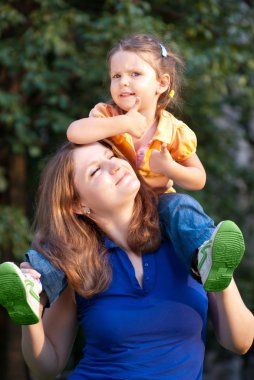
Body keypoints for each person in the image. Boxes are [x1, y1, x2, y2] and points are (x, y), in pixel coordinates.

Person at [0, 34, 245, 323]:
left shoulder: (174, 131)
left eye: (134, 74)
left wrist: (169, 168)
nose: (123, 82)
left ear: (161, 84)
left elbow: (198, 178)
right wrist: (123, 123)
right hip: (115, 208)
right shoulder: (108, 114)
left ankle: (205, 256)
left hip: (157, 204)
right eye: (116, 76)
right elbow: (74, 133)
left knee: (182, 206)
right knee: (68, 242)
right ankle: (34, 286)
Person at [13, 141, 254, 379]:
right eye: (96, 170)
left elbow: (240, 342)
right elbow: (47, 366)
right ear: (78, 204)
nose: (115, 166)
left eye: (112, 156)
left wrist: (220, 276)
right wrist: (32, 316)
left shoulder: (186, 238)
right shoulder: (77, 262)